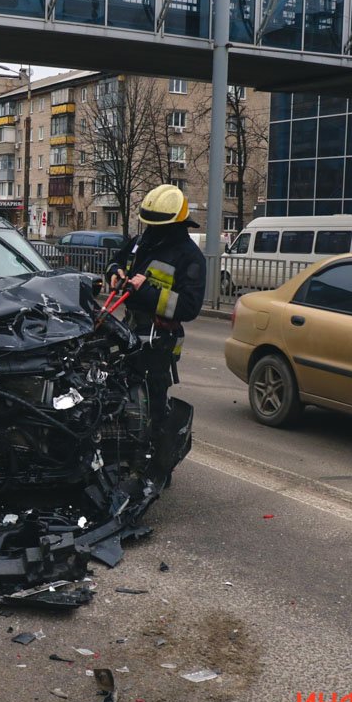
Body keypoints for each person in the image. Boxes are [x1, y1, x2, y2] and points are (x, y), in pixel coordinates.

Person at [105, 184, 207, 481]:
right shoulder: (141, 242)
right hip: (129, 332)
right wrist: (114, 272)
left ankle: (155, 470)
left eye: (156, 224)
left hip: (158, 343)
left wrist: (148, 292)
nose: (150, 228)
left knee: (153, 405)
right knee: (121, 398)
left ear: (175, 223)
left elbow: (189, 307)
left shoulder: (189, 257)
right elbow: (118, 260)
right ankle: (122, 456)